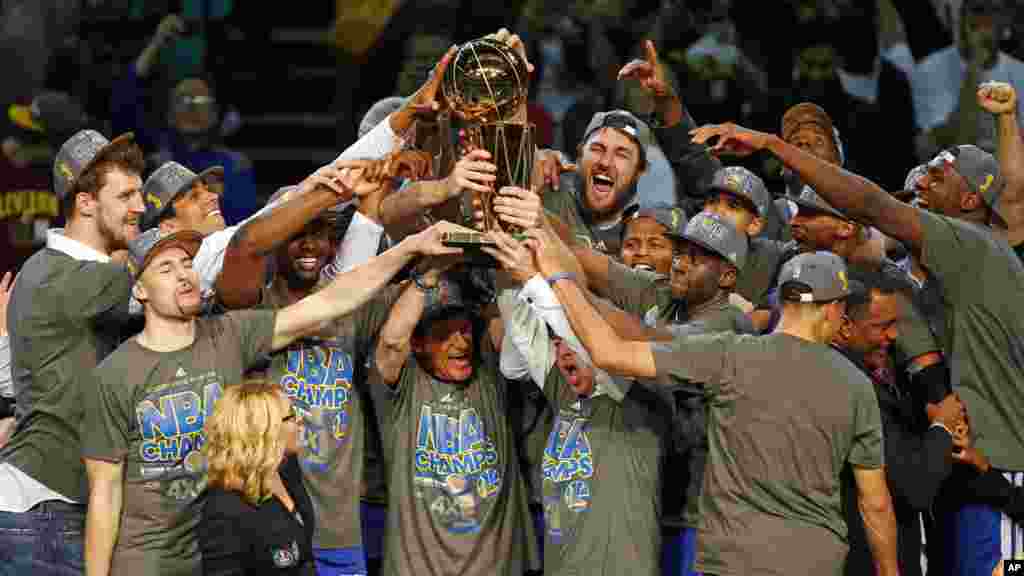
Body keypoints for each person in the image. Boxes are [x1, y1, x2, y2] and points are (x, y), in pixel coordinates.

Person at [690, 118, 1024, 576]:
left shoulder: (973, 244)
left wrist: (771, 144)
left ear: (968, 202)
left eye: (940, 174)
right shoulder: (941, 274)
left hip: (998, 477)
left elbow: (870, 205)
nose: (923, 179)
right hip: (964, 477)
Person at [80, 216, 467, 575]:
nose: (184, 276)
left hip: (232, 548)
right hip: (150, 561)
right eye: (166, 269)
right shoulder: (114, 375)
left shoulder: (228, 334)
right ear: (140, 289)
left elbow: (330, 302)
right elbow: (104, 493)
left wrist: (410, 248)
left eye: (187, 264)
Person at [524, 232, 900, 575]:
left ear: (783, 301)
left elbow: (610, 352)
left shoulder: (729, 355)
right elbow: (876, 504)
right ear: (833, 309)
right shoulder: (856, 385)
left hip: (733, 560)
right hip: (811, 562)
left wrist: (558, 281)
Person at [0, 129, 145, 576]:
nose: (140, 207)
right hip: (45, 510)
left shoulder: (51, 271)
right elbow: (205, 263)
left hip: (52, 503)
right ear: (85, 203)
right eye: (126, 196)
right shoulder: (64, 276)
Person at [488, 229, 670, 576]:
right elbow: (514, 362)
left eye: (569, 338)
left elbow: (596, 349)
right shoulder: (565, 391)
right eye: (557, 341)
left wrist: (533, 277)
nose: (563, 349)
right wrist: (508, 268)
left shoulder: (634, 394)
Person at [249, 190, 401, 576]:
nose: (310, 244)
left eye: (321, 233)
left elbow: (405, 292)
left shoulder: (351, 308)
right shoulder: (253, 312)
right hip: (270, 524)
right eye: (298, 232)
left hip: (340, 531)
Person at [372, 268, 537, 575]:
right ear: (418, 344)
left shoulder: (491, 377)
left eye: (465, 330)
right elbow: (393, 343)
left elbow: (511, 334)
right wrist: (428, 273)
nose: (460, 343)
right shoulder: (403, 388)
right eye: (445, 333)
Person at [832, 269, 964, 576]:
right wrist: (943, 427)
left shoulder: (884, 376)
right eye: (882, 326)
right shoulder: (852, 388)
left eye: (896, 325)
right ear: (845, 326)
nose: (893, 336)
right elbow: (913, 485)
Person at [201, 380, 315, 576]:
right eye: (291, 417)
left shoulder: (286, 473)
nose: (300, 421)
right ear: (264, 430)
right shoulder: (224, 510)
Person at [912, 0, 1024, 158]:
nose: (986, 19)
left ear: (1006, 19)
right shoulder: (929, 69)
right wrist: (976, 63)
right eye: (979, 9)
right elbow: (951, 143)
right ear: (962, 18)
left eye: (995, 10)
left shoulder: (1020, 72)